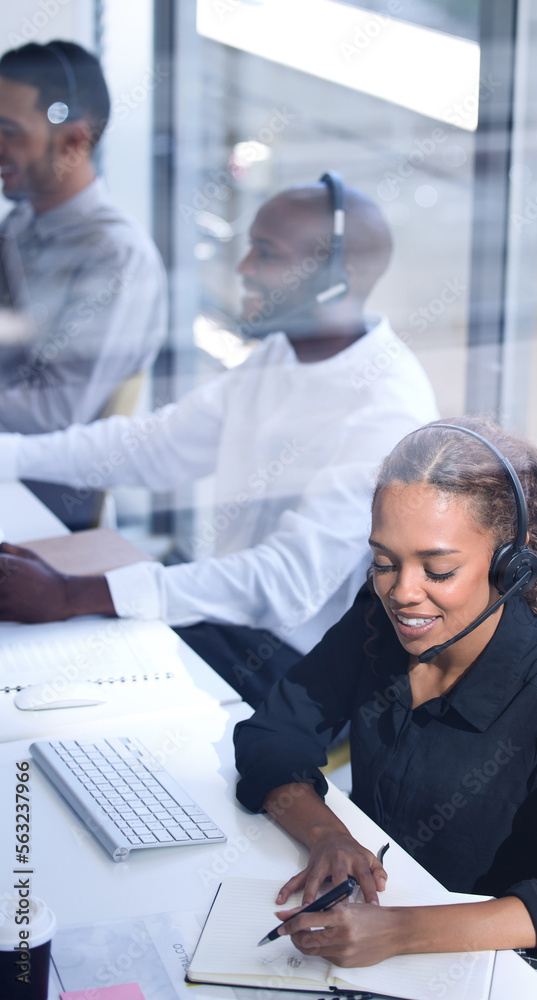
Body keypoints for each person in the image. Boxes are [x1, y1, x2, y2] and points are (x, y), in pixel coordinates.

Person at [0, 176, 439, 705]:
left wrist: (74, 593)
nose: (244, 269)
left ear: (334, 279)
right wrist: (12, 454)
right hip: (222, 619)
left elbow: (285, 587)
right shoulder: (284, 352)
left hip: (296, 666)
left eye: (266, 253)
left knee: (61, 690)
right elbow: (156, 445)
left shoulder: (387, 411)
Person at [233, 417, 537, 984]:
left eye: (438, 569)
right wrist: (329, 836)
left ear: (508, 568)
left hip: (485, 967)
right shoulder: (379, 622)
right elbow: (271, 734)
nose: (402, 592)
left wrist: (400, 932)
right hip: (373, 932)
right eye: (384, 562)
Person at [0, 41, 167, 434]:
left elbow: (53, 413)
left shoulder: (115, 257)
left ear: (74, 142)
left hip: (35, 483)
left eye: (9, 132)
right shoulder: (19, 223)